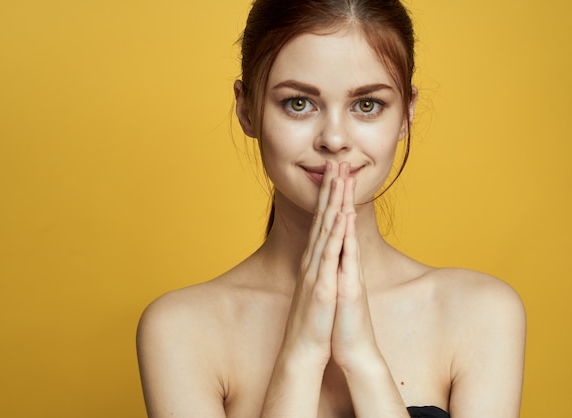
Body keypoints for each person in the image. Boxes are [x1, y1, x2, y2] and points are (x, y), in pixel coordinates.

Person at [136, 0, 526, 417]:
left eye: (367, 104)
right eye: (299, 103)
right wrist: (300, 354)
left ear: (407, 112)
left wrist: (362, 360)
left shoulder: (482, 315)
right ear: (246, 107)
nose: (335, 139)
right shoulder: (179, 331)